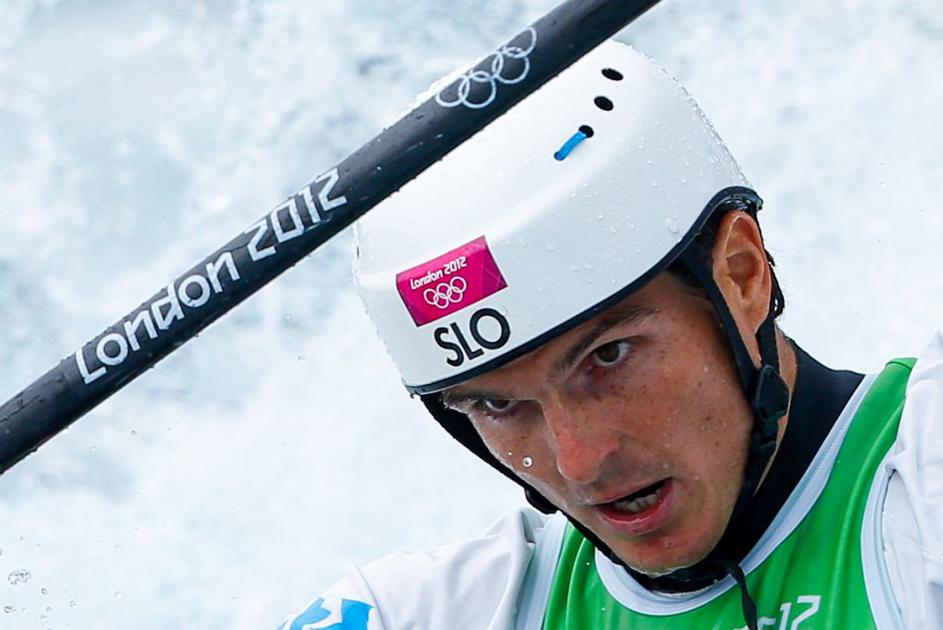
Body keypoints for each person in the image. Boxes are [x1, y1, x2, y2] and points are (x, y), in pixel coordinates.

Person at [276, 40, 942, 629]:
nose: (579, 462)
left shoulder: (920, 477)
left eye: (607, 357)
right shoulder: (430, 612)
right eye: (499, 404)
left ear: (741, 275)